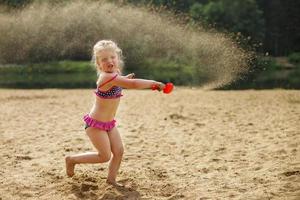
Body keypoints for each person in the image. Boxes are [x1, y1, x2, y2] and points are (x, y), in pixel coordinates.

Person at [65, 40, 165, 186]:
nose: (109, 61)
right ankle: (72, 159)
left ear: (118, 59)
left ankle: (111, 180)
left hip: (109, 124)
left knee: (119, 151)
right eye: (104, 59)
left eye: (112, 57)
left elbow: (121, 82)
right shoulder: (105, 77)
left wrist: (123, 79)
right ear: (99, 65)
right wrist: (153, 83)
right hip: (95, 125)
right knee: (104, 156)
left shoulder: (115, 75)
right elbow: (134, 84)